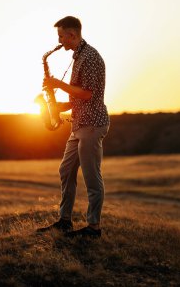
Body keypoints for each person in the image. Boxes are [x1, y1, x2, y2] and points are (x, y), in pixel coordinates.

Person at [37, 16, 110, 238]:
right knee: (66, 171)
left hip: (92, 124)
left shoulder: (90, 57)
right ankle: (64, 221)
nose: (59, 41)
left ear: (72, 35)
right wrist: (60, 105)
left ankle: (93, 228)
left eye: (61, 36)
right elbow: (79, 95)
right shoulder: (78, 56)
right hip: (79, 123)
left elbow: (88, 94)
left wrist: (58, 84)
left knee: (91, 177)